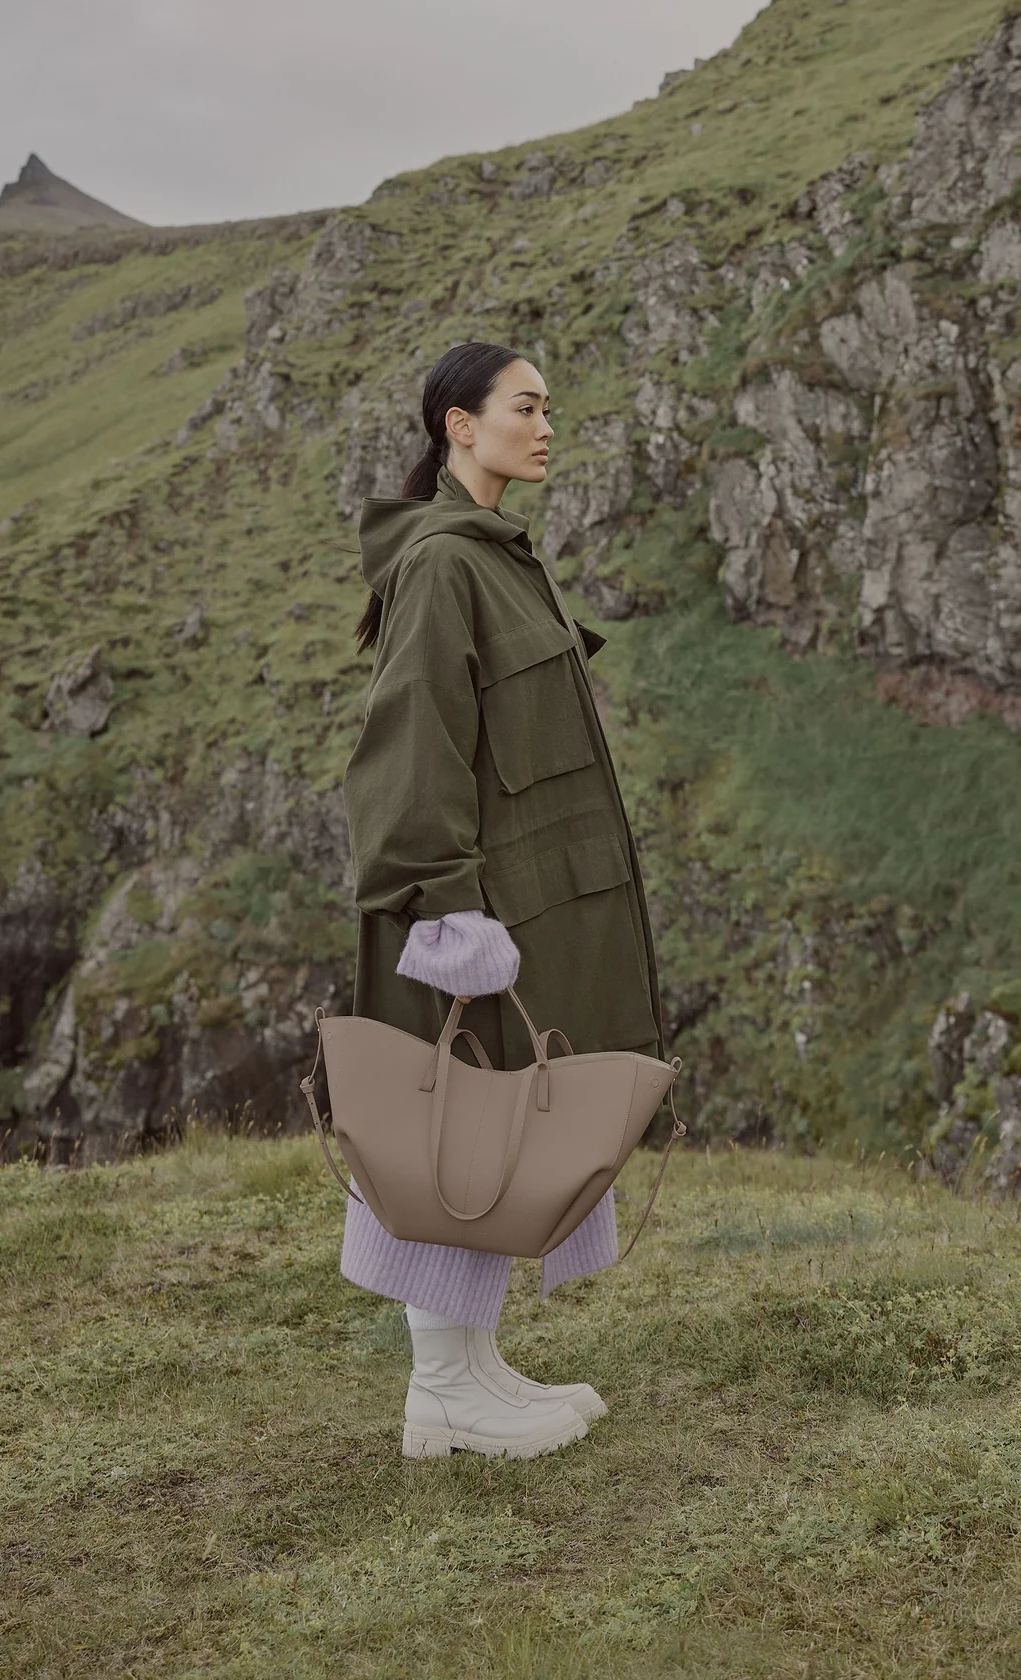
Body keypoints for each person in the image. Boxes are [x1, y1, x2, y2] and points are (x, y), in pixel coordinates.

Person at [339, 340, 665, 1460]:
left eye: (549, 408)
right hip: (462, 913)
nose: (546, 426)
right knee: (450, 1131)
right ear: (460, 426)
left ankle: (472, 1371)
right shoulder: (443, 563)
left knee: (488, 1131)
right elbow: (414, 738)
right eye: (525, 407)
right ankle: (441, 1389)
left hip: (509, 899)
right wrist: (444, 908)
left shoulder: (494, 555)